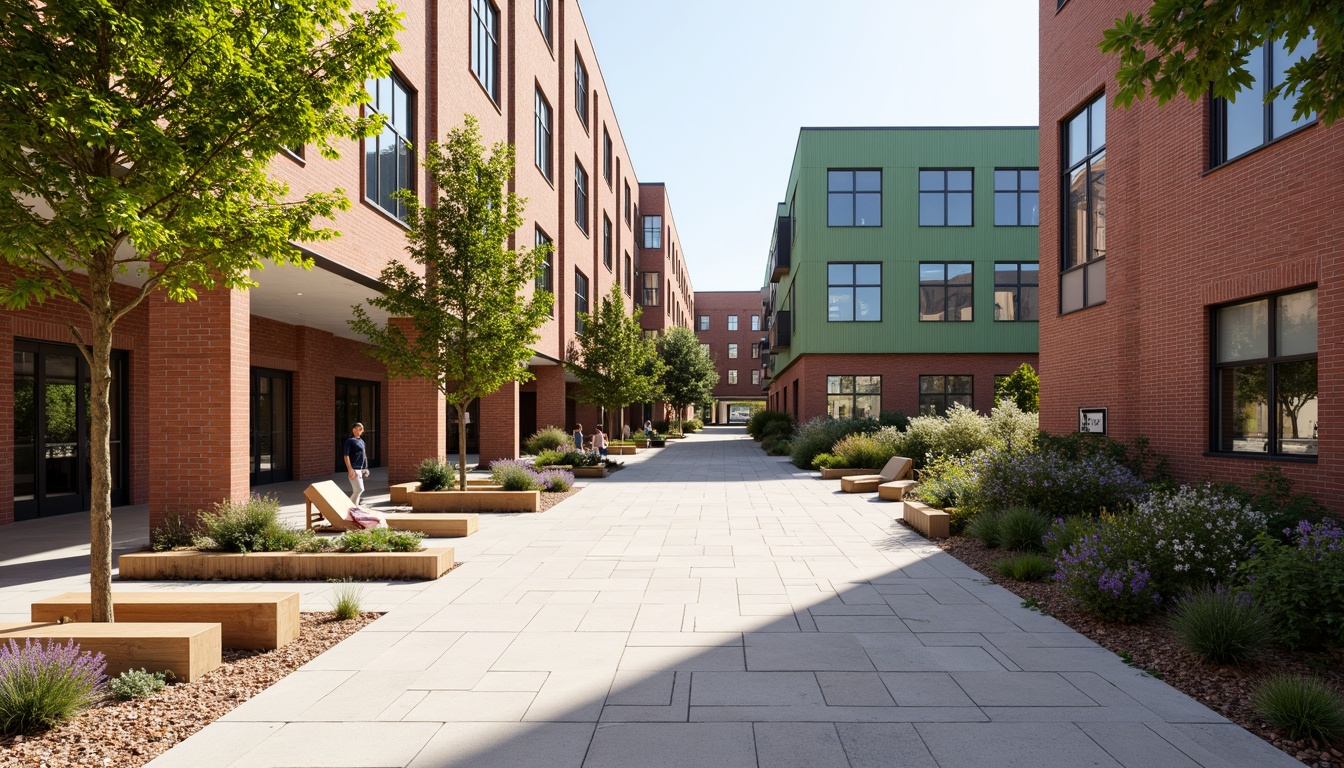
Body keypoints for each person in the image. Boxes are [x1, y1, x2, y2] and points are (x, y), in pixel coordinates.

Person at [343, 422, 369, 505]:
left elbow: (364, 455)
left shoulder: (362, 442)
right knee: (359, 489)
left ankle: (355, 507)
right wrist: (350, 469)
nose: (361, 429)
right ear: (354, 430)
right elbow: (346, 456)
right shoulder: (350, 441)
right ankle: (349, 507)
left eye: (362, 428)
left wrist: (365, 468)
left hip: (360, 469)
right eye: (359, 428)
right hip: (354, 468)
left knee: (359, 490)